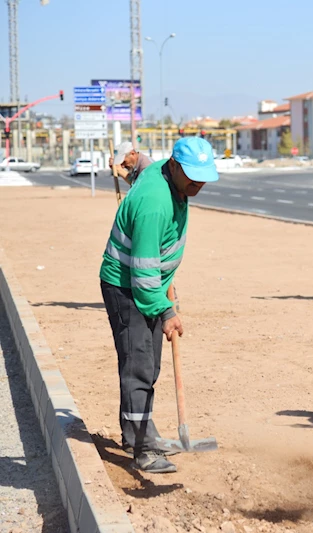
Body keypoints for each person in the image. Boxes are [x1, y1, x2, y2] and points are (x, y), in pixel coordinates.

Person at [99, 137, 219, 473]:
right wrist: (165, 309)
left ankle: (133, 434)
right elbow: (143, 271)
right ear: (175, 166)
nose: (199, 183)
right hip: (128, 287)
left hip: (148, 282)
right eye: (193, 176)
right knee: (140, 366)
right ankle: (145, 449)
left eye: (203, 176)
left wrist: (167, 283)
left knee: (146, 366)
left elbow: (141, 165)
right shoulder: (155, 202)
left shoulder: (164, 175)